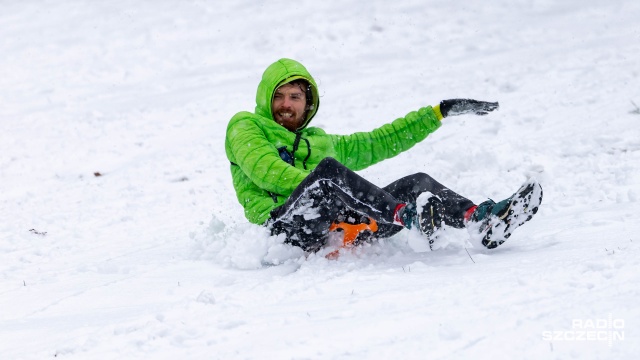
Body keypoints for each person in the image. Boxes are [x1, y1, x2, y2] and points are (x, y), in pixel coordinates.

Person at [225, 58, 542, 253]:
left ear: (307, 103)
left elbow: (381, 140)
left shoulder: (318, 141)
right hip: (285, 227)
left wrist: (438, 113)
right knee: (328, 174)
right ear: (266, 98)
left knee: (417, 182)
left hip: (342, 226)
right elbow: (264, 170)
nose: (286, 103)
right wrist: (331, 184)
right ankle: (408, 216)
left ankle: (481, 221)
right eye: (278, 96)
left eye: (294, 96)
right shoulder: (245, 126)